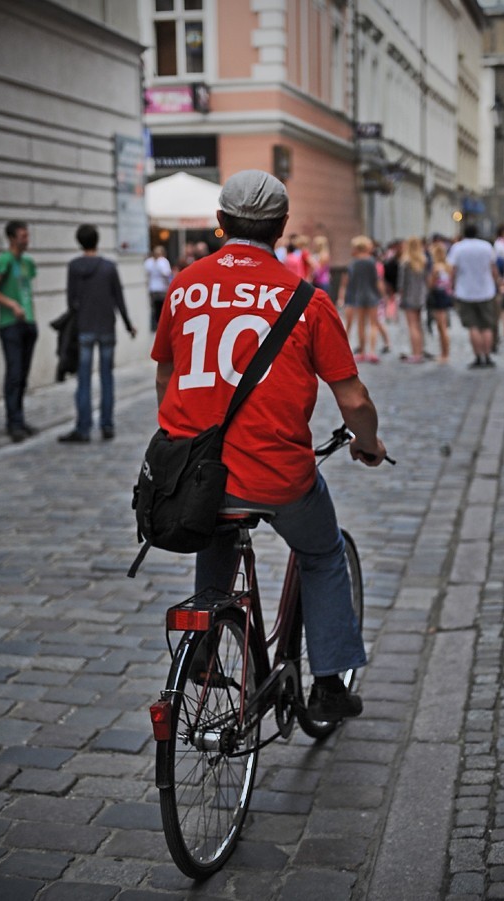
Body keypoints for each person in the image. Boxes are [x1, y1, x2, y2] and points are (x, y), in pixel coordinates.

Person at [151, 169, 388, 721]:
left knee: (211, 517)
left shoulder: (184, 284)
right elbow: (352, 400)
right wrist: (368, 442)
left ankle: (204, 651)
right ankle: (329, 683)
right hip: (278, 474)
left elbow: (167, 377)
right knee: (323, 553)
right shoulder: (307, 298)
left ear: (218, 224)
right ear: (281, 228)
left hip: (196, 472)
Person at [58, 224, 137, 443]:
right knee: (106, 378)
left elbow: (71, 301)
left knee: (83, 380)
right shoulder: (109, 267)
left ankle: (83, 428)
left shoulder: (74, 267)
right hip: (106, 328)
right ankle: (107, 425)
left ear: (79, 242)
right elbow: (119, 298)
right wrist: (129, 325)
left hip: (84, 327)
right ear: (97, 240)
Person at [0, 220, 39, 442]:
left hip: (28, 324)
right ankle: (12, 422)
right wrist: (12, 304)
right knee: (14, 373)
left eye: (27, 235)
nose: (27, 239)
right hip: (10, 325)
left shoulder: (27, 262)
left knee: (22, 375)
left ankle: (20, 419)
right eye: (23, 236)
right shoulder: (3, 260)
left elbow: (26, 289)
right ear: (12, 238)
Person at [447, 224, 499, 369]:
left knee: (473, 326)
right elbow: (493, 268)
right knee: (487, 325)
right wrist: (498, 283)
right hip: (486, 290)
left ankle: (478, 357)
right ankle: (487, 356)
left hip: (465, 292)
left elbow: (453, 270)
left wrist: (451, 285)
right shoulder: (486, 246)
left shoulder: (458, 248)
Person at [337, 235, 384, 364]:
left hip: (358, 296)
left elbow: (348, 281)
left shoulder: (353, 263)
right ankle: (372, 352)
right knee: (373, 324)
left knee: (361, 325)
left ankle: (362, 351)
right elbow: (377, 280)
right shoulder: (371, 261)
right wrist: (383, 295)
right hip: (372, 295)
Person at [397, 236, 428, 363]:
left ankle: (415, 354)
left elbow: (401, 284)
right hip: (420, 296)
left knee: (412, 326)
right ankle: (420, 350)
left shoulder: (406, 262)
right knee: (419, 325)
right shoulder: (422, 261)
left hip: (409, 297)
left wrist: (400, 297)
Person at [427, 241, 454, 362]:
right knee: (443, 326)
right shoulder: (448, 266)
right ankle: (444, 352)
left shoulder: (436, 267)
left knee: (441, 327)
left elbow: (431, 284)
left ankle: (445, 354)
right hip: (446, 294)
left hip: (438, 295)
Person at [145, 246, 173, 332]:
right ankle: (161, 327)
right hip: (162, 288)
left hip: (152, 288)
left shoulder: (149, 262)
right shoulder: (163, 261)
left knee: (154, 309)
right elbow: (166, 274)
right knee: (162, 309)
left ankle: (154, 327)